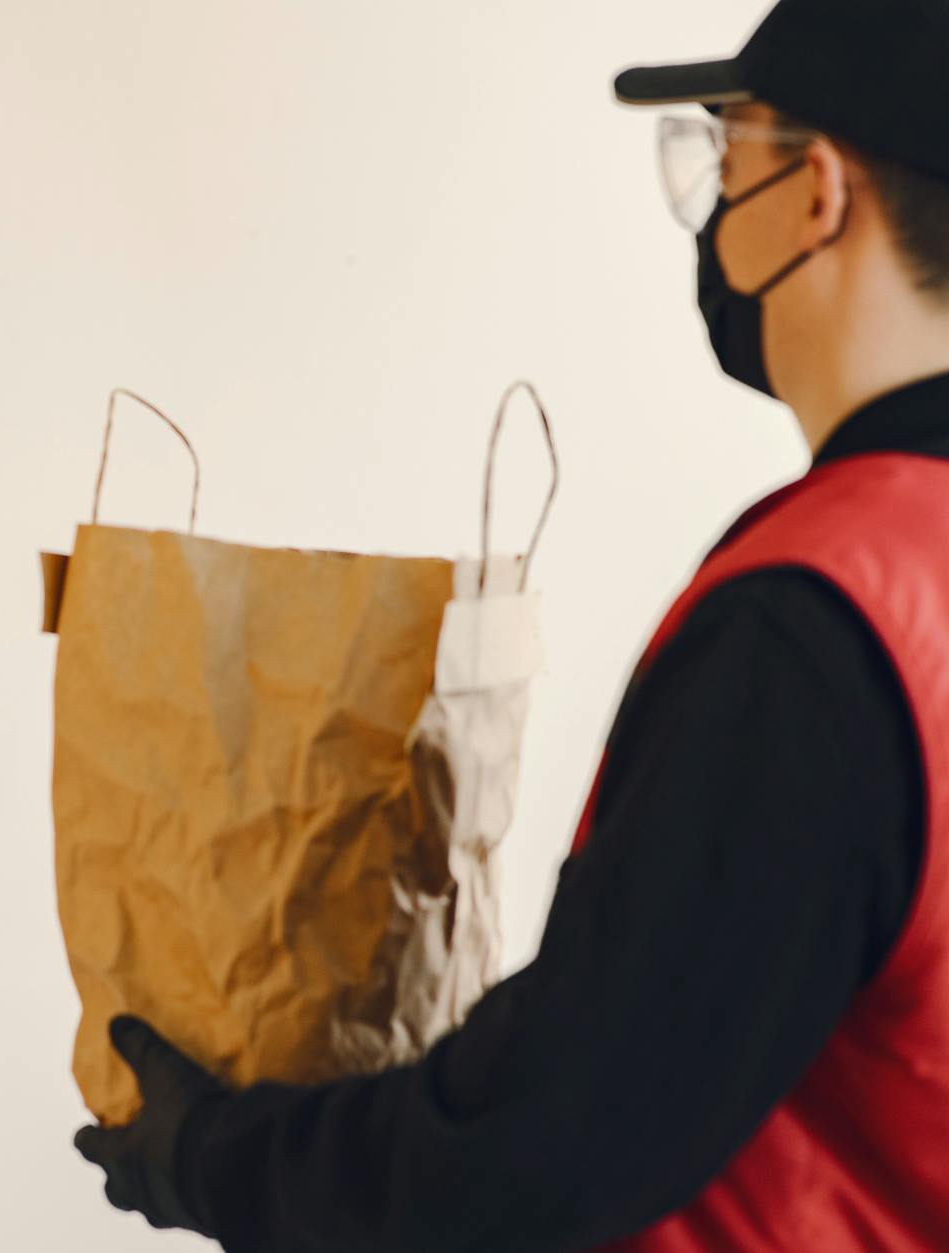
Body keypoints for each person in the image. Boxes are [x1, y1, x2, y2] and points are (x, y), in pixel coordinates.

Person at [73, 1, 949, 1249]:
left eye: (726, 155)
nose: (707, 210)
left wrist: (208, 1156)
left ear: (814, 192)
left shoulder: (819, 618)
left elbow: (537, 1149)